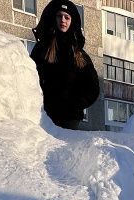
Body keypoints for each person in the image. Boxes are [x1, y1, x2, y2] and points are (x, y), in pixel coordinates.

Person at [30, 1, 100, 130]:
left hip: (70, 119)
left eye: (67, 17)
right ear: (54, 18)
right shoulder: (42, 49)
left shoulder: (79, 55)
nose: (63, 20)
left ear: (72, 21)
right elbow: (29, 77)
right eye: (59, 16)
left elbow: (93, 87)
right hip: (44, 117)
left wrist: (77, 104)